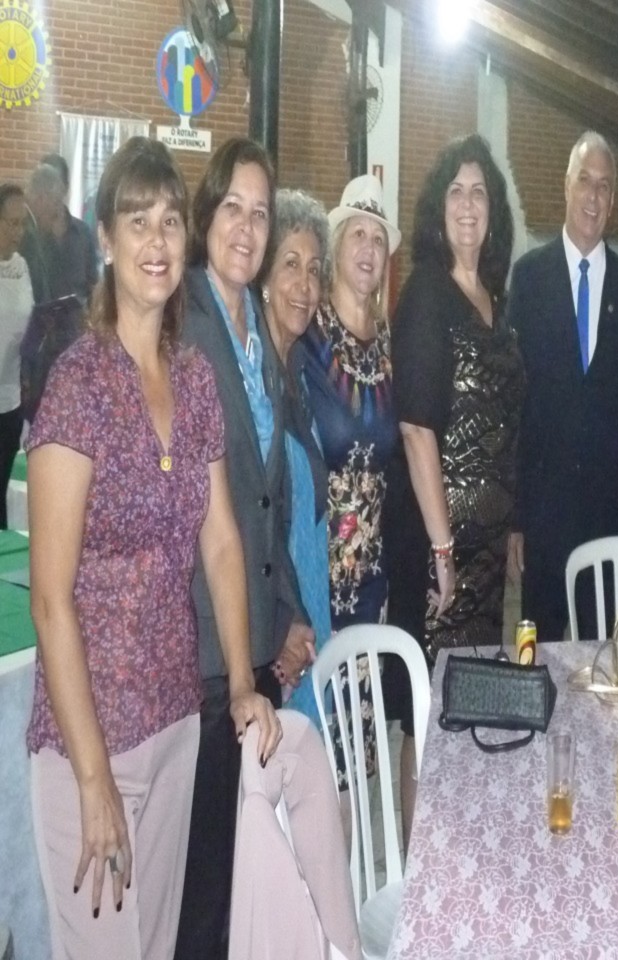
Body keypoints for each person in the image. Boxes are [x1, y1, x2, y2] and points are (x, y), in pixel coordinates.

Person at [25, 136, 280, 960]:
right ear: (104, 237)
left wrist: (239, 683)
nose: (158, 241)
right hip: (88, 737)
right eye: (137, 222)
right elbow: (49, 599)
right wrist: (92, 778)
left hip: (176, 723)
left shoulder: (195, 377)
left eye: (171, 220)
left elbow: (222, 541)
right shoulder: (78, 384)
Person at [175, 137, 312, 960]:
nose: (247, 228)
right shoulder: (183, 322)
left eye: (260, 213)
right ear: (206, 215)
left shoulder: (256, 328)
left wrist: (290, 611)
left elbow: (273, 496)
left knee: (241, 858)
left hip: (257, 637)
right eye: (233, 207)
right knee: (203, 875)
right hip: (201, 648)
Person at [385, 132, 522, 836]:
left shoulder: (492, 296)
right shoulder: (426, 294)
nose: (468, 205)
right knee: (427, 714)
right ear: (438, 209)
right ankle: (421, 868)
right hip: (439, 553)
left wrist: (509, 530)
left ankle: (457, 845)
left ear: (493, 211)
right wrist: (443, 551)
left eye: (480, 193)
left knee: (467, 704)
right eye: (456, 192)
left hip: (487, 554)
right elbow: (417, 430)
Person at [507, 131, 618, 642]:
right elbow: (513, 409)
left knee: (603, 658)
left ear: (613, 200)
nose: (593, 195)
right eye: (585, 181)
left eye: (604, 186)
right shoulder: (528, 280)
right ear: (566, 186)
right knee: (539, 658)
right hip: (542, 521)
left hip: (606, 522)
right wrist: (516, 519)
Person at [293, 174, 399, 791]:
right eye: (357, 234)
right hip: (314, 569)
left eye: (378, 239)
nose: (368, 248)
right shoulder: (306, 336)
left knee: (356, 752)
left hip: (371, 575)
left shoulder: (387, 343)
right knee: (313, 748)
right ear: (336, 247)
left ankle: (351, 855)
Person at [259, 189, 330, 728]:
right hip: (278, 625)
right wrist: (283, 624)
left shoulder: (300, 370)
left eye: (314, 270)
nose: (304, 286)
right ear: (263, 275)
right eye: (290, 264)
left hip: (309, 606)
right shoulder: (252, 379)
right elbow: (250, 520)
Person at [0, 182, 33, 528]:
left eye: (21, 224)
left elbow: (30, 318)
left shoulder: (22, 267)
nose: (18, 232)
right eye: (11, 223)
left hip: (10, 399)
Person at [22, 159, 98, 305]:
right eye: (56, 202)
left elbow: (93, 284)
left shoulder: (82, 233)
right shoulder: (24, 235)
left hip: (76, 316)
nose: (58, 210)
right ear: (41, 198)